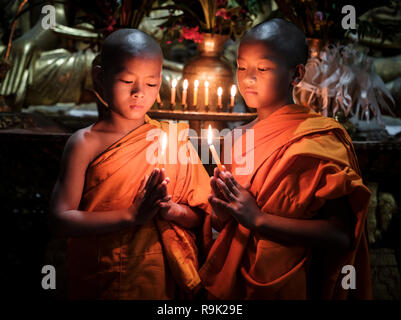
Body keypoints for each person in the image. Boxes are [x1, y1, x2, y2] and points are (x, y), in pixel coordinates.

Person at [199, 18, 372, 300]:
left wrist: (258, 220)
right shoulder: (237, 137)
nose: (248, 78)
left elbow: (342, 235)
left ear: (297, 74)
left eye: (263, 68)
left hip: (295, 285)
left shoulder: (318, 140)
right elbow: (226, 226)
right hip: (239, 285)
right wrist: (220, 214)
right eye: (241, 67)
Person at [48, 29, 211, 299]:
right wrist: (131, 216)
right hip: (101, 272)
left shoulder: (173, 140)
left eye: (151, 84)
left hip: (156, 277)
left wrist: (171, 211)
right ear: (101, 77)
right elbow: (59, 219)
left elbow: (201, 217)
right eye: (127, 81)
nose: (139, 93)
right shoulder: (84, 143)